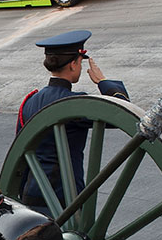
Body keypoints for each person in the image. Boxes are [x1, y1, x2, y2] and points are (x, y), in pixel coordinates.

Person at [15, 30, 128, 208]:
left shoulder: (29, 101)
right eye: (80, 63)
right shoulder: (75, 103)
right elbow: (121, 112)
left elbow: (20, 155)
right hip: (64, 198)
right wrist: (103, 81)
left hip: (31, 194)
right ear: (74, 64)